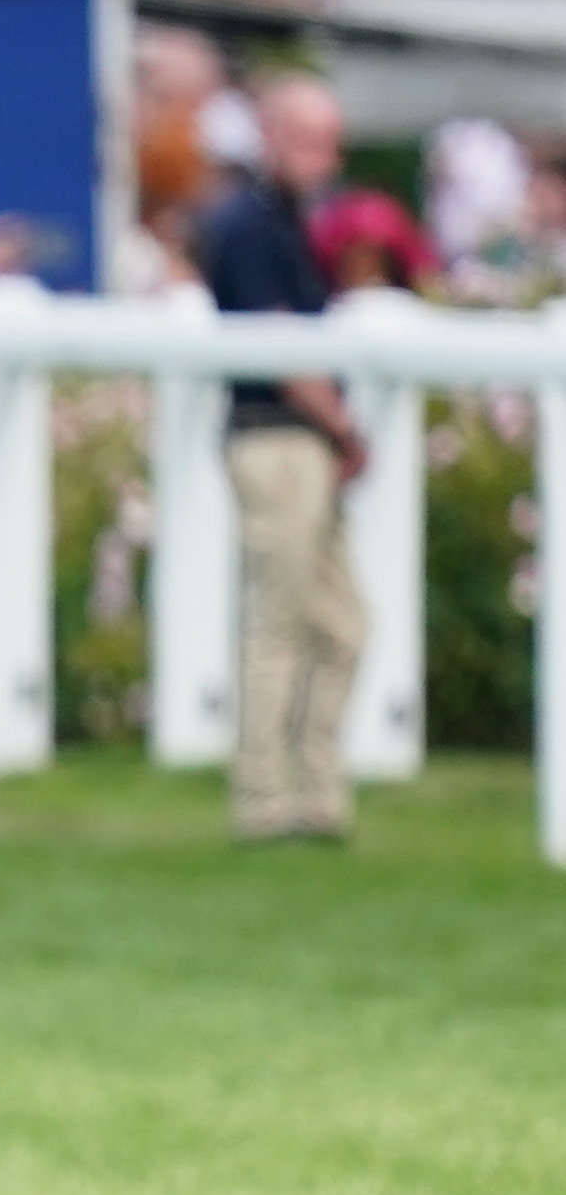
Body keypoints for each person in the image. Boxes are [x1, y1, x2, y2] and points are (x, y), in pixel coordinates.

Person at [193, 73, 369, 844]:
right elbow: (283, 349)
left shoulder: (297, 222)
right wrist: (343, 427)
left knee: (344, 627)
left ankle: (319, 792)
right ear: (269, 138)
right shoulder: (247, 226)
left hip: (305, 441)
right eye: (308, 141)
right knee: (277, 621)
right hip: (275, 437)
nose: (324, 159)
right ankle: (261, 797)